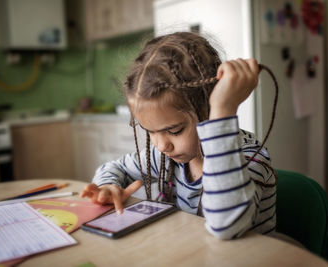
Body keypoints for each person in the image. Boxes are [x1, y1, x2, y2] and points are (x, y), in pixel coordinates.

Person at [80, 32, 276, 240]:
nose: (161, 145)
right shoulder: (164, 158)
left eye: (174, 130)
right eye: (150, 131)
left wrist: (223, 110)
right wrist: (108, 187)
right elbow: (113, 168)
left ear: (208, 109)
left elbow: (227, 226)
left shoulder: (250, 160)